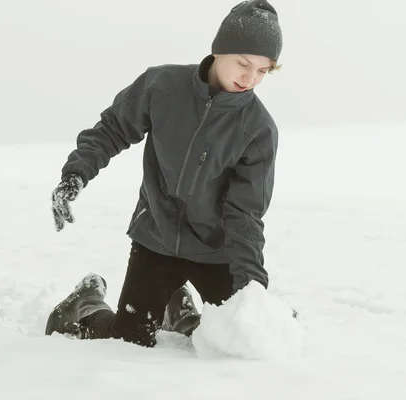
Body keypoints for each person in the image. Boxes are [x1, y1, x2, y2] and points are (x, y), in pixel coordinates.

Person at [46, 0, 283, 348]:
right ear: (219, 51)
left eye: (263, 71)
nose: (251, 78)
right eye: (244, 63)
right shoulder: (163, 85)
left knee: (235, 337)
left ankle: (179, 308)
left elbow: (245, 213)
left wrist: (252, 287)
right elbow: (113, 128)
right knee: (129, 340)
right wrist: (75, 175)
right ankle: (85, 303)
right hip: (156, 239)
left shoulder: (258, 130)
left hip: (214, 251)